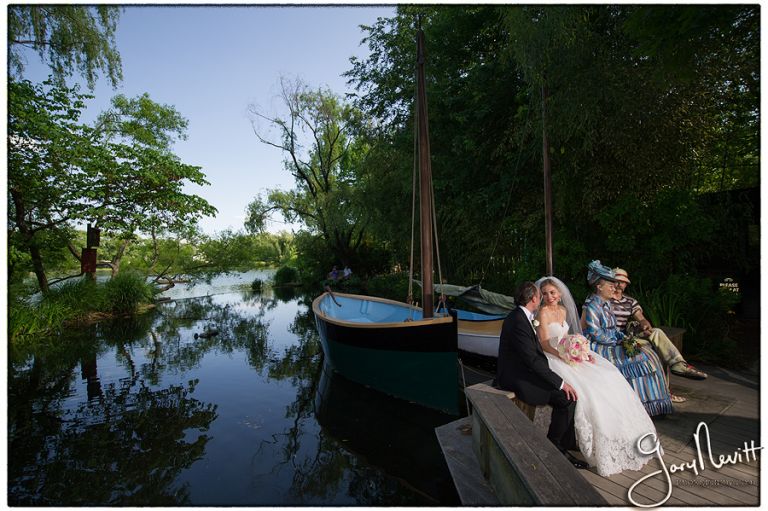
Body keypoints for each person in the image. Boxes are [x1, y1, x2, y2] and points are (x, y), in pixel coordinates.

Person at [534, 276, 658, 476]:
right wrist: (565, 356)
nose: (550, 297)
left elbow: (567, 337)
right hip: (553, 357)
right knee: (588, 389)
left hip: (568, 354)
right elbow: (545, 343)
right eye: (546, 293)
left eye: (553, 292)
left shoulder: (564, 310)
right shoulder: (542, 313)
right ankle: (574, 439)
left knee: (608, 375)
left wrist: (581, 352)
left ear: (559, 294)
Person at [495, 281, 587, 469]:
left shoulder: (522, 316)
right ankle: (555, 446)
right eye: (541, 295)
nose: (543, 299)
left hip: (526, 369)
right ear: (534, 299)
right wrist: (561, 383)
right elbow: (532, 360)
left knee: (570, 395)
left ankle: (564, 443)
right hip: (517, 376)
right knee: (566, 397)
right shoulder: (518, 320)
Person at [582, 261, 674, 417]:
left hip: (612, 341)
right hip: (599, 346)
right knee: (639, 359)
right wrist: (618, 342)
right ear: (599, 287)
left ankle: (653, 405)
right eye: (610, 285)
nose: (614, 288)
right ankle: (636, 405)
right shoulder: (592, 306)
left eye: (615, 285)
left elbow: (614, 329)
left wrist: (624, 338)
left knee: (649, 354)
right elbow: (596, 333)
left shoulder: (607, 305)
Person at [612, 267, 707, 380]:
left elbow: (641, 318)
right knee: (653, 350)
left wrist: (644, 324)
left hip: (627, 336)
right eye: (616, 281)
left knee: (656, 332)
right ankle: (666, 386)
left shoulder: (630, 301)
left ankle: (678, 364)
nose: (619, 284)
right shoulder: (604, 299)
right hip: (613, 338)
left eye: (622, 282)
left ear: (626, 284)